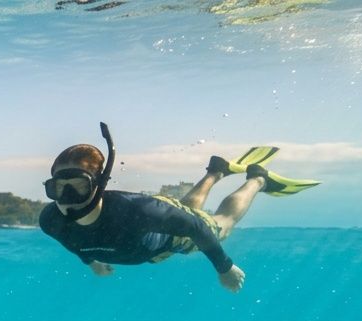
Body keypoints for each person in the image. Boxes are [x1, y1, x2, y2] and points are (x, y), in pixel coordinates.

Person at [39, 123, 318, 293]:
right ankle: (216, 171)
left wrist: (225, 267)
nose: (66, 199)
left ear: (99, 184)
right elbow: (74, 243)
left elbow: (195, 227)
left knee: (221, 225)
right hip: (166, 228)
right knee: (186, 211)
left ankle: (258, 179)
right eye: (57, 189)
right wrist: (93, 263)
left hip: (172, 236)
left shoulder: (140, 212)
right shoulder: (51, 221)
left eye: (78, 186)